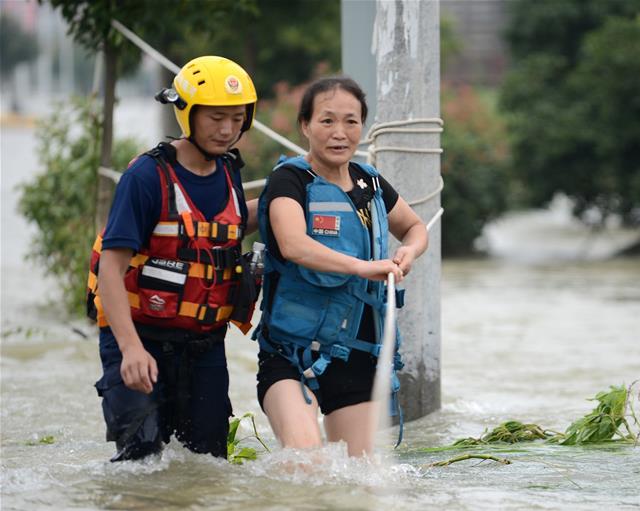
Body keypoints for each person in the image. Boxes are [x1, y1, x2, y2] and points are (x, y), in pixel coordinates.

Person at [86, 56, 260, 462]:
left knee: (207, 464)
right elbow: (111, 269)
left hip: (203, 346)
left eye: (237, 119)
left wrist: (294, 193)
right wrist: (130, 349)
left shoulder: (230, 172)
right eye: (216, 117)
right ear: (188, 113)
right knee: (140, 460)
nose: (227, 129)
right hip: (138, 336)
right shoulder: (146, 178)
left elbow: (223, 227)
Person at [254, 76, 428, 457]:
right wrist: (360, 267)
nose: (340, 132)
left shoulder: (371, 182)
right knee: (305, 462)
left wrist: (409, 252)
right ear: (305, 126)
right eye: (327, 121)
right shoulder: (290, 180)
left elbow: (414, 228)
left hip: (359, 356)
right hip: (293, 355)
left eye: (351, 121)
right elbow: (293, 244)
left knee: (360, 485)